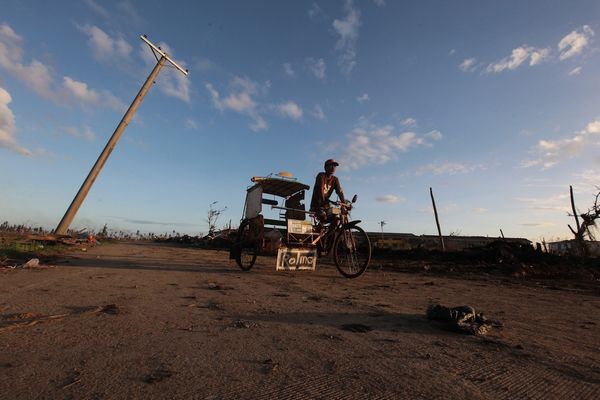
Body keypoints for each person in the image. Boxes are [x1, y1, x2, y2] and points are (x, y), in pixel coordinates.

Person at [310, 159, 348, 224]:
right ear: (325, 167)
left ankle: (329, 234)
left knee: (337, 220)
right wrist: (323, 202)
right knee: (323, 216)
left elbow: (340, 192)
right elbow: (320, 189)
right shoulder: (321, 176)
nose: (333, 168)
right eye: (331, 166)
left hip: (326, 205)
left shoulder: (335, 179)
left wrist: (344, 204)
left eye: (335, 166)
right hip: (317, 205)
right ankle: (320, 229)